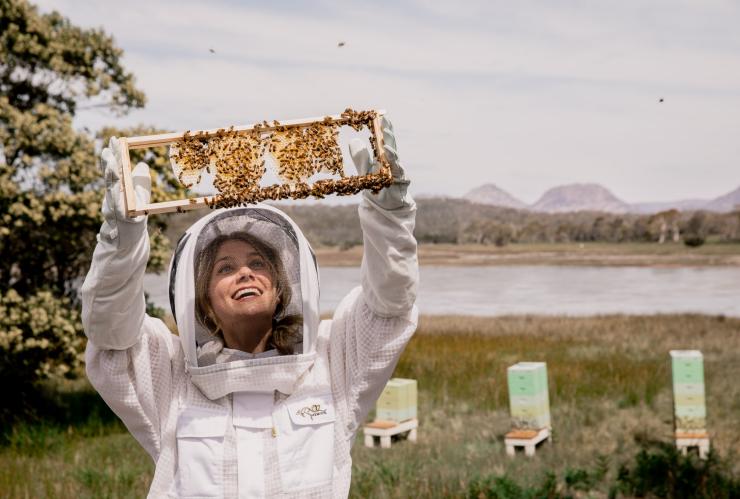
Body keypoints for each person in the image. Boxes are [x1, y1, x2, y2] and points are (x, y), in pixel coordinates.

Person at [81, 117, 418, 498]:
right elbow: (111, 336)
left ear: (279, 288)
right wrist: (121, 242)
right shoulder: (171, 377)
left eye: (258, 263)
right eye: (225, 267)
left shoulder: (331, 363)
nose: (244, 272)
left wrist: (389, 216)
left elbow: (389, 305)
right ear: (204, 300)